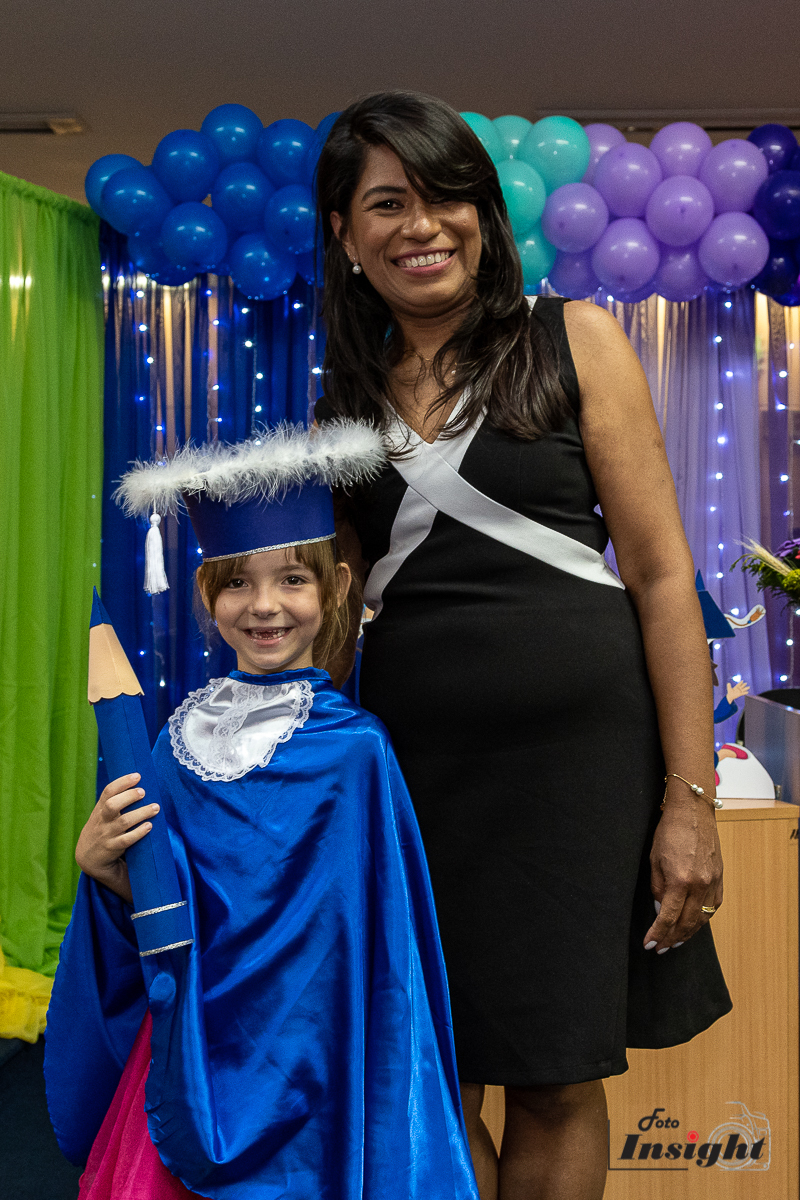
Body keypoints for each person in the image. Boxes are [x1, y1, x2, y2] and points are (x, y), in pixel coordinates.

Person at [313, 92, 732, 1200]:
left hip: (576, 774)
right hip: (414, 780)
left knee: (553, 1077)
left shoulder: (574, 339)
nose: (421, 225)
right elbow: (334, 620)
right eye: (386, 204)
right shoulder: (339, 404)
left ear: (484, 214)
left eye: (445, 196)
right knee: (429, 1073)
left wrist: (689, 798)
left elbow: (661, 578)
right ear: (346, 236)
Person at [44, 424, 480, 1200]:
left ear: (336, 587)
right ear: (206, 593)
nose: (265, 605)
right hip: (196, 1052)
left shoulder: (356, 753)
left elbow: (379, 950)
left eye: (292, 580)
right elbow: (167, 911)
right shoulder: (174, 746)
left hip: (320, 1059)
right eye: (238, 582)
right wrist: (105, 873)